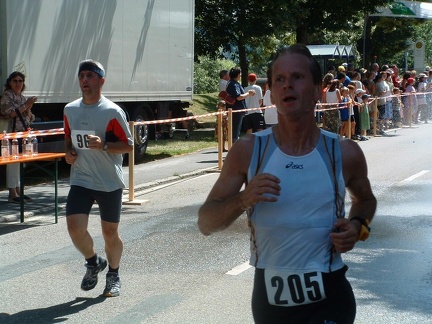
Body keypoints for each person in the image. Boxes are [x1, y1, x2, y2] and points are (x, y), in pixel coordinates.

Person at [198, 44, 376, 323]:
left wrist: (357, 226)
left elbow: (366, 200)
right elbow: (206, 223)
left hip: (329, 295)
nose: (287, 85)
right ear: (271, 92)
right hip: (271, 298)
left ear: (318, 89)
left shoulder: (344, 152)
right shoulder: (248, 150)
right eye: (279, 79)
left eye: (297, 77)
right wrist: (244, 199)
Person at [63, 59, 133, 297]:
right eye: (81, 75)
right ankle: (93, 262)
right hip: (81, 178)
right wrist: (68, 153)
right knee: (74, 228)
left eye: (90, 76)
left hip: (108, 182)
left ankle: (113, 274)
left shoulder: (112, 112)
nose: (85, 80)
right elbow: (68, 138)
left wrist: (104, 145)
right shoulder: (70, 109)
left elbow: (129, 146)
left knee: (110, 232)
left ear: (101, 81)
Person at [0, 71, 37, 203]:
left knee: (20, 162)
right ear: (10, 83)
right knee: (13, 163)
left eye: (20, 81)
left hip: (22, 134)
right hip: (10, 134)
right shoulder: (7, 96)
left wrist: (28, 108)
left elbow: (30, 117)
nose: (18, 84)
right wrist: (26, 105)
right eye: (15, 81)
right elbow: (11, 114)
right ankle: (12, 193)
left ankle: (18, 190)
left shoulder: (21, 97)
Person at [225, 67, 255, 142]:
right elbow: (238, 97)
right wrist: (249, 93)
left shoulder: (234, 83)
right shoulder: (233, 84)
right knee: (235, 131)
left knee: (236, 130)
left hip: (237, 110)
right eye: (240, 73)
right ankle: (234, 148)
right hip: (236, 111)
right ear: (237, 74)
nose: (241, 75)